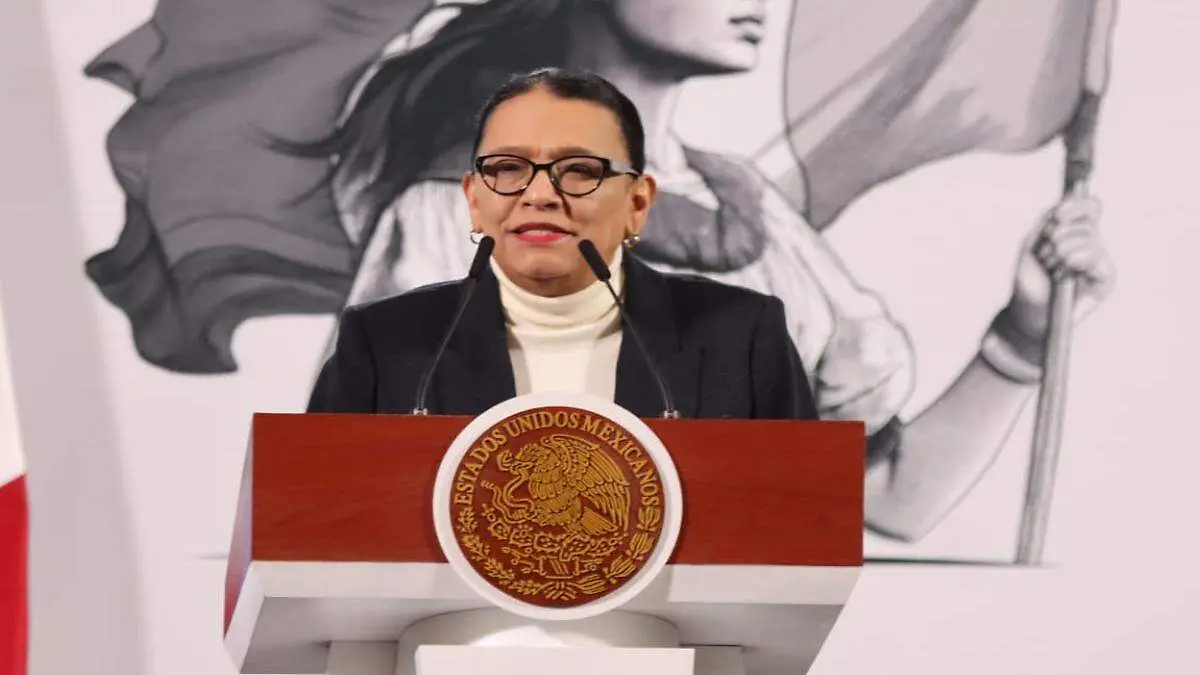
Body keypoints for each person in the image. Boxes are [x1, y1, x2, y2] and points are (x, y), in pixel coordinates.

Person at [304, 0, 1114, 543]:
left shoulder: (753, 215)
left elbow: (886, 496)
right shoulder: (463, 210)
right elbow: (362, 500)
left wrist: (1023, 334)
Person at [307, 68, 820, 422]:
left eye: (579, 170)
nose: (539, 195)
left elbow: (797, 520)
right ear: (474, 201)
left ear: (637, 203)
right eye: (508, 168)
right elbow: (317, 521)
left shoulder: (742, 337)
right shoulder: (383, 344)